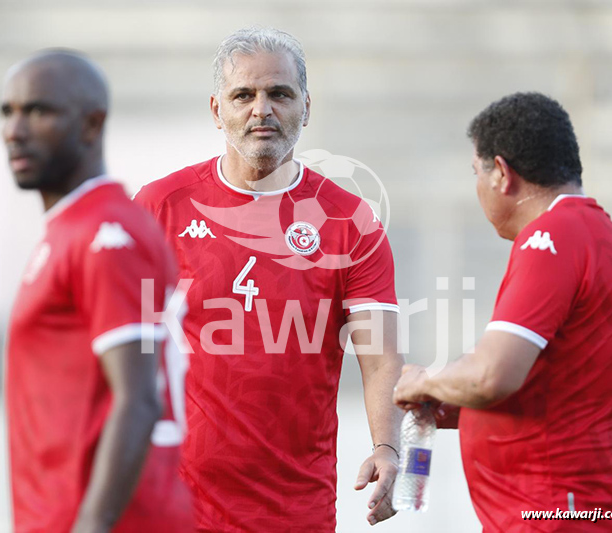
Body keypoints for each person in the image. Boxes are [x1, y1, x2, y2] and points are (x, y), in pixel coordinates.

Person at [134, 27, 404, 531]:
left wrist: (387, 446)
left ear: (306, 107)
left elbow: (381, 356)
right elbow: (119, 345)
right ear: (217, 110)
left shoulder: (350, 222)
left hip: (295, 507)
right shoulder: (159, 206)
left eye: (279, 93)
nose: (262, 109)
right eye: (244, 95)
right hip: (176, 503)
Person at [394, 92, 612, 531]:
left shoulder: (551, 237)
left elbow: (493, 376)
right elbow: (565, 389)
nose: (477, 187)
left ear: (502, 174)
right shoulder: (611, 241)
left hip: (553, 512)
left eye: (477, 172)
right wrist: (452, 399)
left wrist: (426, 379)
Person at [2, 50, 192, 532]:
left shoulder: (106, 233)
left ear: (92, 124)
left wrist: (90, 524)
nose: (14, 130)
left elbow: (138, 398)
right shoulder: (73, 228)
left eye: (40, 111)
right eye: (9, 111)